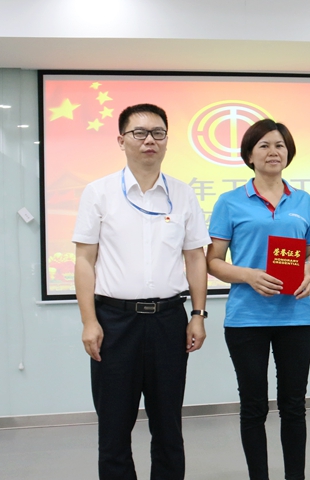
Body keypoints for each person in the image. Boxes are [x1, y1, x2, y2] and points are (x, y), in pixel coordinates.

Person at [73, 103, 210, 479]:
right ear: (121, 140)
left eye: (158, 133)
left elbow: (195, 258)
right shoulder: (99, 192)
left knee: (168, 426)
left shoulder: (183, 194)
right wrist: (89, 321)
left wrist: (198, 314)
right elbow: (84, 260)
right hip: (114, 323)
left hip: (169, 321)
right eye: (140, 133)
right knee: (114, 426)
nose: (150, 140)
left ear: (167, 140)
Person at [206, 119, 310, 480]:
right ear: (249, 155)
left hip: (296, 317)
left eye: (280, 145)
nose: (274, 152)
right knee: (254, 407)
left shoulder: (303, 200)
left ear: (288, 153)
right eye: (264, 146)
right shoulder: (229, 202)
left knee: (294, 406)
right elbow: (213, 262)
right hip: (247, 319)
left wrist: (309, 271)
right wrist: (248, 276)